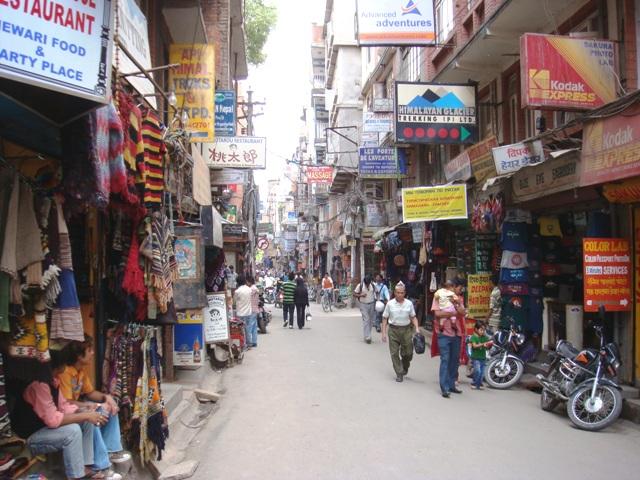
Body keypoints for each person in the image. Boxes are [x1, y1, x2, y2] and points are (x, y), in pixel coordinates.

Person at [12, 350, 120, 480]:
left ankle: (86, 466)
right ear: (58, 367)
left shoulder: (53, 381)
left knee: (87, 419)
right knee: (73, 430)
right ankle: (76, 476)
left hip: (45, 429)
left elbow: (63, 407)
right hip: (31, 437)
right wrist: (85, 415)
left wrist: (87, 408)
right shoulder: (38, 385)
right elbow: (53, 420)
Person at [58, 337, 130, 474]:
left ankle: (111, 451)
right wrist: (95, 405)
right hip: (66, 414)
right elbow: (66, 403)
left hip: (78, 409)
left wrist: (107, 398)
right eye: (89, 350)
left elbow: (90, 392)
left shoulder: (81, 372)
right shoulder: (65, 373)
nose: (92, 353)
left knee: (110, 408)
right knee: (92, 417)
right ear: (79, 356)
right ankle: (100, 465)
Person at [432, 279, 467, 398]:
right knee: (445, 359)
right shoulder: (438, 296)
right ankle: (444, 387)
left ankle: (451, 384)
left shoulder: (458, 299)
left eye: (452, 288)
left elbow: (462, 313)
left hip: (456, 334)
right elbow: (437, 314)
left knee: (454, 360)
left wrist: (456, 305)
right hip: (443, 334)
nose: (451, 290)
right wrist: (452, 314)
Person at [381, 282, 420, 382]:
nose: (400, 295)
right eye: (398, 292)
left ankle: (404, 366)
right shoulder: (390, 304)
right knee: (394, 353)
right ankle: (399, 373)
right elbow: (385, 318)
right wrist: (384, 333)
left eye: (402, 293)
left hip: (406, 330)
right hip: (393, 330)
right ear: (394, 293)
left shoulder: (409, 304)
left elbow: (413, 317)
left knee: (408, 353)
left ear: (405, 293)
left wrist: (417, 328)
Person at [233, 275, 256, 349]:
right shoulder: (249, 290)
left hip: (240, 313)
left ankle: (243, 345)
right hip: (248, 313)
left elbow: (234, 301)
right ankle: (249, 344)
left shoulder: (237, 291)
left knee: (240, 330)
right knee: (247, 329)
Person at [469, 321, 492, 390]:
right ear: (476, 329)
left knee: (482, 373)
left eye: (484, 330)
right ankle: (474, 382)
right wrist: (483, 344)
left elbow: (487, 347)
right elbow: (474, 346)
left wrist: (489, 345)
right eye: (481, 330)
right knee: (478, 371)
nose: (483, 332)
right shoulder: (473, 337)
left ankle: (479, 383)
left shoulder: (484, 338)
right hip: (476, 358)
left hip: (483, 357)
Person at [354, 276, 376, 344]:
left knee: (371, 320)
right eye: (366, 284)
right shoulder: (360, 285)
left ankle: (368, 334)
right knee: (366, 319)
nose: (367, 285)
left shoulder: (373, 285)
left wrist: (377, 299)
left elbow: (377, 292)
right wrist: (361, 295)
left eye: (368, 283)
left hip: (372, 304)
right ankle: (367, 337)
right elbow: (354, 294)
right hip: (363, 304)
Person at [247, 276, 260, 347]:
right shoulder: (255, 288)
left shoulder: (252, 289)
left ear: (249, 282)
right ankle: (254, 341)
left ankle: (250, 342)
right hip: (255, 309)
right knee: (254, 326)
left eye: (247, 282)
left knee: (250, 326)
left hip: (252, 309)